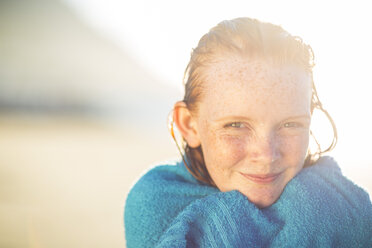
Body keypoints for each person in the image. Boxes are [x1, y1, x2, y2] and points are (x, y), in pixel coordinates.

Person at [124, 17, 372, 247]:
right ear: (189, 125)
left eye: (290, 124)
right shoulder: (156, 202)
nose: (266, 154)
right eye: (235, 125)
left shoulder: (348, 208)